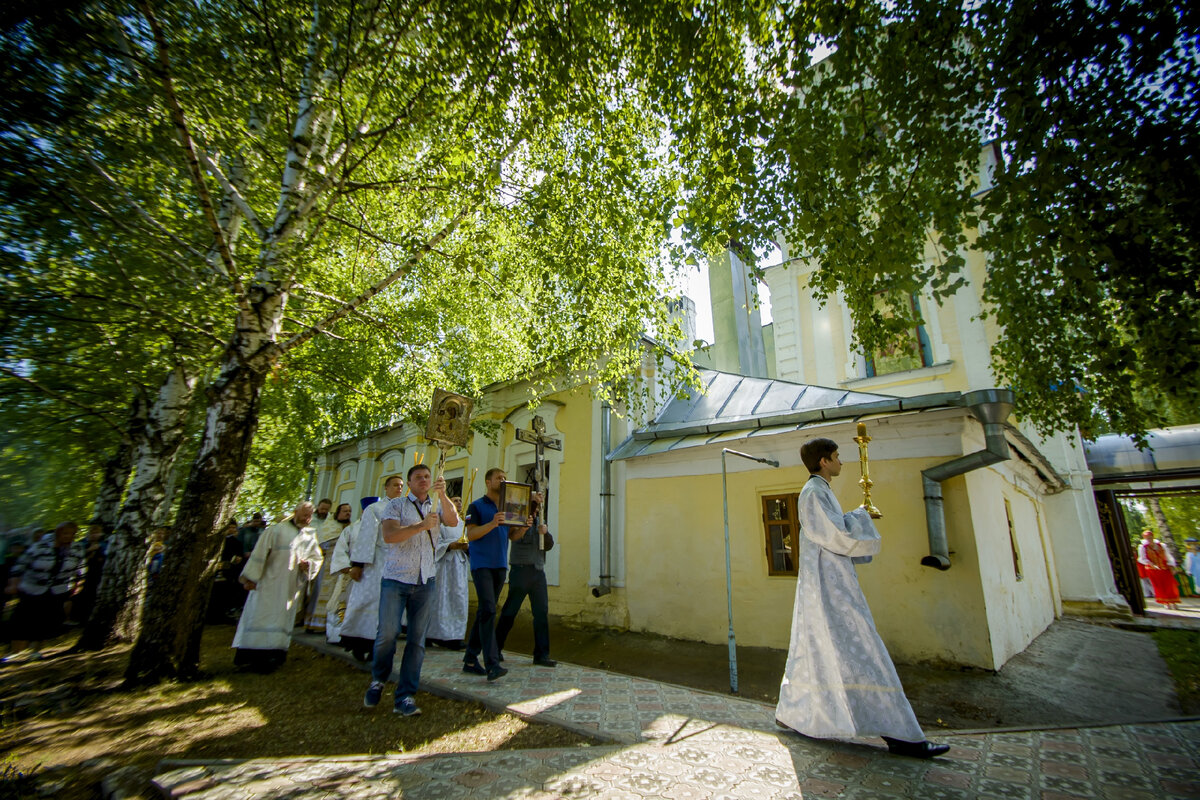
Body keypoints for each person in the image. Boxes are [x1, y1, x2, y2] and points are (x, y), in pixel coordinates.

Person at [775, 438, 949, 759]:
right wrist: (861, 517)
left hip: (832, 585)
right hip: (829, 591)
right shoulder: (813, 493)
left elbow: (835, 533)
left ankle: (800, 714)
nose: (842, 462)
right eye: (838, 456)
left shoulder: (820, 492)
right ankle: (904, 736)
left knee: (824, 653)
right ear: (824, 461)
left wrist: (855, 516)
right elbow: (837, 536)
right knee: (864, 653)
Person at [363, 464, 461, 716]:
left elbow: (453, 521)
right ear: (409, 483)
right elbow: (389, 535)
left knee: (417, 641)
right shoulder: (395, 505)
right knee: (388, 633)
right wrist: (420, 526)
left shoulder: (437, 504)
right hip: (396, 578)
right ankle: (378, 679)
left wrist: (443, 495)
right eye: (418, 477)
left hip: (425, 579)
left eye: (427, 477)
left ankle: (405, 696)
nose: (423, 480)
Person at [231, 502, 322, 673]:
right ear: (295, 512)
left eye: (310, 515)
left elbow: (317, 558)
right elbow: (259, 554)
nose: (307, 518)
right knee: (261, 616)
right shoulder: (276, 530)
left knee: (282, 620)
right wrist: (251, 578)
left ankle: (274, 657)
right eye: (304, 514)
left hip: (290, 587)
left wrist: (308, 565)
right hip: (267, 583)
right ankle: (250, 657)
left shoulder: (310, 535)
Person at [462, 468, 530, 681]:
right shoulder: (477, 506)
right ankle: (492, 664)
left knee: (485, 611)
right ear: (488, 481)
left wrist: (525, 528)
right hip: (482, 564)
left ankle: (470, 659)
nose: (502, 481)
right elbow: (471, 534)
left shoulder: (507, 507)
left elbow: (512, 536)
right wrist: (492, 523)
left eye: (504, 478)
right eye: (498, 478)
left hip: (500, 565)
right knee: (489, 610)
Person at [339, 475, 404, 661]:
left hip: (396, 563)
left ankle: (382, 645)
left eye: (401, 485)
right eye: (394, 485)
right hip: (375, 562)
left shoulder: (405, 509)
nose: (398, 488)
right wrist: (358, 564)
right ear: (386, 488)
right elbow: (366, 537)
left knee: (390, 605)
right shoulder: (375, 509)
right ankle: (360, 642)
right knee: (368, 601)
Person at [4, 522, 86, 663]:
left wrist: (77, 585)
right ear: (58, 533)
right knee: (21, 620)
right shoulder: (40, 546)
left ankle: (35, 651)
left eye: (72, 534)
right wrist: (14, 584)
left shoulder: (77, 549)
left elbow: (82, 569)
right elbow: (20, 565)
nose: (68, 537)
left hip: (57, 590)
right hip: (32, 588)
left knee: (44, 621)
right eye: (65, 533)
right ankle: (15, 653)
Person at [495, 494, 556, 666]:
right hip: (520, 570)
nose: (536, 511)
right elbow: (513, 536)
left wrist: (545, 533)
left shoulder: (540, 522)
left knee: (541, 613)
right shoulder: (517, 519)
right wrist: (525, 526)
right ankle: (495, 648)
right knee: (510, 612)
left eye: (537, 508)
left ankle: (542, 655)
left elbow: (548, 545)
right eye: (534, 507)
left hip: (538, 571)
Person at [426, 497, 471, 650]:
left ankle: (455, 635)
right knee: (441, 598)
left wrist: (466, 547)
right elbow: (433, 543)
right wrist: (450, 545)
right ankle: (435, 633)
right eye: (454, 501)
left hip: (459, 565)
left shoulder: (462, 523)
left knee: (458, 598)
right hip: (443, 565)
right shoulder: (439, 521)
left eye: (460, 500)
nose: (458, 502)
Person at [304, 502, 352, 633]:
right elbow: (320, 544)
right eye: (344, 511)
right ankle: (315, 623)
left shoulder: (351, 527)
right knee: (321, 592)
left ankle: (332, 625)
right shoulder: (329, 527)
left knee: (339, 595)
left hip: (344, 567)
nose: (347, 513)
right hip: (328, 565)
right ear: (338, 513)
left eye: (349, 511)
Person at [69, 520, 107, 625]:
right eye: (92, 532)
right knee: (79, 595)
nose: (94, 535)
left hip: (97, 573)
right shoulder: (81, 543)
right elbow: (75, 556)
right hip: (81, 574)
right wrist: (89, 550)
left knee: (93, 595)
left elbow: (107, 556)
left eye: (97, 533)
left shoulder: (104, 544)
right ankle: (76, 617)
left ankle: (89, 617)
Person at [210, 519, 246, 623]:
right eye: (229, 527)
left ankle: (226, 613)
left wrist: (236, 560)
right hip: (216, 571)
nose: (231, 530)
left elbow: (240, 557)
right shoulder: (217, 541)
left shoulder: (237, 542)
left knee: (227, 593)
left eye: (233, 528)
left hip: (230, 572)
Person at [1138, 529, 1180, 609]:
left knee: (1170, 585)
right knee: (1159, 586)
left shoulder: (1161, 545)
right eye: (1147, 538)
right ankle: (1166, 602)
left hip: (1165, 568)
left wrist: (1171, 565)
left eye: (1150, 537)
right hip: (1153, 570)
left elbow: (1168, 555)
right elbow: (1142, 558)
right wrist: (1150, 563)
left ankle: (1173, 601)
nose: (1149, 539)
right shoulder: (1143, 547)